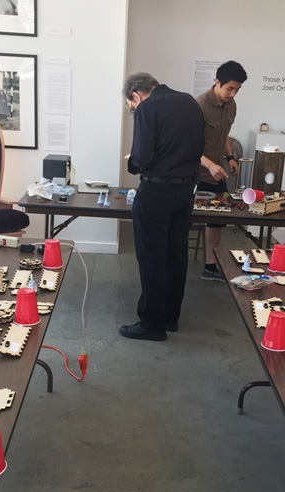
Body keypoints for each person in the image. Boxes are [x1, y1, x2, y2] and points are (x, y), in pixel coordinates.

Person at [120, 72, 205, 341]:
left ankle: (151, 324)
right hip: (186, 191)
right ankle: (170, 317)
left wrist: (132, 161)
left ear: (136, 95)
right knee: (176, 255)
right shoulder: (189, 102)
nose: (134, 110)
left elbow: (142, 157)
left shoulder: (148, 107)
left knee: (151, 258)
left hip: (156, 191)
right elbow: (197, 147)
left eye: (131, 106)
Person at [194, 60, 248, 281]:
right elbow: (188, 146)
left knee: (217, 219)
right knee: (185, 220)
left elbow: (223, 134)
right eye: (229, 88)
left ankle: (210, 267)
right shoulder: (199, 106)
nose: (233, 94)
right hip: (196, 174)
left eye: (237, 89)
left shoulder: (231, 105)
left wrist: (230, 157)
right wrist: (209, 165)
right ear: (217, 82)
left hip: (217, 173)